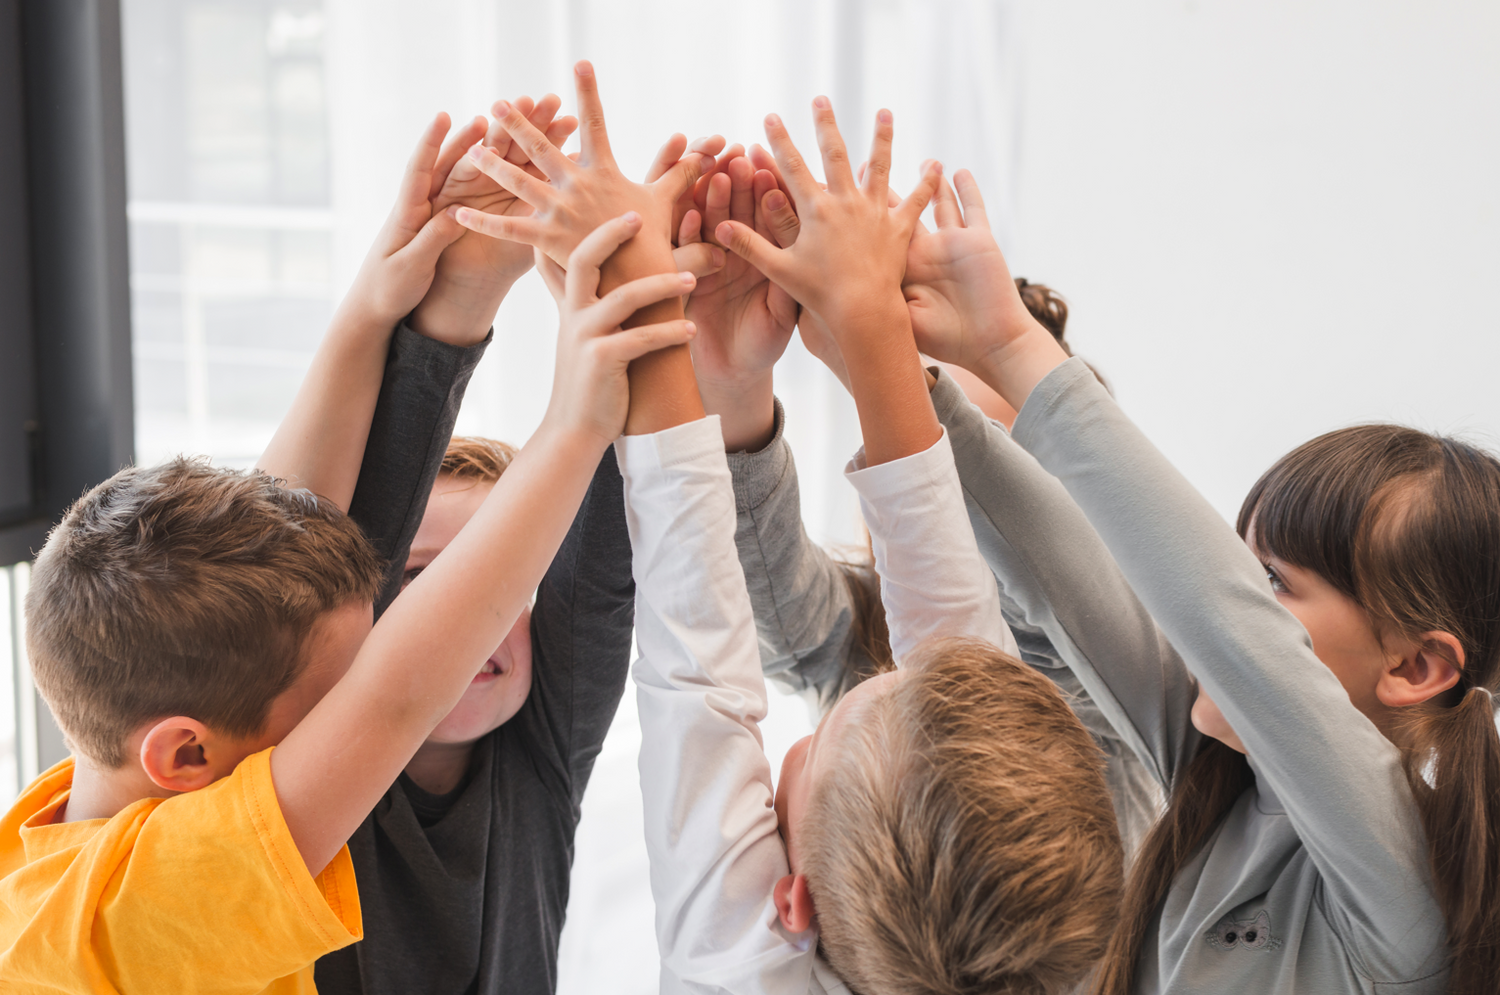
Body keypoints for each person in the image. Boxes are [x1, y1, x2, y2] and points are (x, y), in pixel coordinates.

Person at [0, 103, 709, 992]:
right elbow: (391, 701)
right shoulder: (124, 922)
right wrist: (572, 424)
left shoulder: (88, 811)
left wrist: (403, 306)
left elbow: (298, 524)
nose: (390, 649)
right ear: (185, 754)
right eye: (332, 691)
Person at [876, 168, 1498, 992]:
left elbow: (1223, 622)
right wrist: (882, 351)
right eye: (1242, 568)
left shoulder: (1404, 880)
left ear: (1414, 667)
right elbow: (1064, 568)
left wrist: (1012, 345)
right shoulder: (1217, 780)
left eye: (1272, 582)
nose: (1230, 600)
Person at [313, 97, 726, 995]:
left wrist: (634, 304)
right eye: (423, 582)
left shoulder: (541, 754)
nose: (471, 622)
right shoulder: (315, 772)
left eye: (501, 591)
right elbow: (350, 549)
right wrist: (459, 301)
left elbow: (602, 571)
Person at [675, 139, 1164, 855]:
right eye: (916, 441)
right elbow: (780, 599)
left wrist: (875, 347)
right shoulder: (858, 649)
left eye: (987, 461)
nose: (945, 495)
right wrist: (736, 385)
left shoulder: (1118, 682)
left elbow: (989, 650)